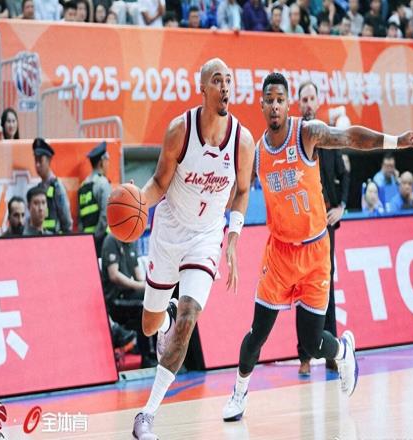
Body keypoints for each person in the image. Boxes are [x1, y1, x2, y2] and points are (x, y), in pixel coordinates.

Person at [222, 72, 413, 422]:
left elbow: (350, 137)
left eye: (280, 100)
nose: (274, 106)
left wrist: (395, 141)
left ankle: (342, 351)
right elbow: (237, 193)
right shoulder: (256, 152)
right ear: (261, 105)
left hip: (315, 252)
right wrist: (228, 232)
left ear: (288, 104)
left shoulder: (307, 133)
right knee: (257, 334)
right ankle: (238, 394)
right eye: (269, 100)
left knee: (313, 344)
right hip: (279, 254)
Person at [131, 58, 255, 440]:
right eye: (217, 80)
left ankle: (147, 415)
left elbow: (243, 190)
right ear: (203, 88)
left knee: (189, 318)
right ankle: (163, 319)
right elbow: (158, 183)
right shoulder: (179, 131)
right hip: (170, 231)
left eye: (229, 80)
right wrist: (137, 203)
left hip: (206, 237)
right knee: (150, 325)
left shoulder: (243, 141)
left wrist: (233, 237)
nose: (225, 86)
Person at [295, 81, 350, 376]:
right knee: (302, 285)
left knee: (325, 283)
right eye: (303, 99)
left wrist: (341, 206)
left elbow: (345, 175)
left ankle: (330, 352)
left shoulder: (329, 138)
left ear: (318, 102)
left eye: (311, 98)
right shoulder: (293, 139)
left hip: (325, 225)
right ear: (298, 104)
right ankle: (304, 355)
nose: (307, 104)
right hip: (301, 226)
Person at [101, 232, 157, 368]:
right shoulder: (111, 240)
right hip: (115, 299)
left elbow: (139, 275)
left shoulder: (131, 242)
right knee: (144, 308)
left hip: (129, 294)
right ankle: (147, 356)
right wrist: (140, 286)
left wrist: (149, 287)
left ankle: (158, 353)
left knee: (157, 301)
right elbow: (114, 275)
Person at [78, 141, 112, 256]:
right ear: (102, 162)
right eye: (107, 160)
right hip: (101, 241)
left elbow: (80, 219)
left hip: (86, 242)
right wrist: (95, 237)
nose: (108, 164)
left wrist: (87, 239)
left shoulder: (82, 186)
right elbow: (105, 216)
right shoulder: (103, 183)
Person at [32, 138, 73, 234]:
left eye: (40, 160)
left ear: (48, 160)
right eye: (35, 160)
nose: (37, 165)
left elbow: (67, 221)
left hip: (55, 238)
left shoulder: (57, 186)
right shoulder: (38, 187)